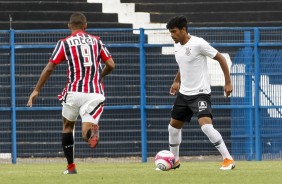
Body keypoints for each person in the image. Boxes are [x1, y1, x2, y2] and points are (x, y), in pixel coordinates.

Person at [27, 12, 115, 174]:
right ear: (85, 25)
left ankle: (71, 167)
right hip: (95, 92)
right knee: (85, 130)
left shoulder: (64, 43)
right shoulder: (96, 41)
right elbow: (111, 64)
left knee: (68, 126)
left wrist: (36, 90)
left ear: (69, 26)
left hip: (73, 91)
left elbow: (50, 67)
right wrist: (100, 76)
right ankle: (90, 133)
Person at [165, 15, 235, 170]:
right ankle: (174, 160)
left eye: (174, 31)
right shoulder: (177, 45)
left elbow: (221, 59)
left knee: (206, 126)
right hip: (184, 94)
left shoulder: (199, 43)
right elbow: (184, 65)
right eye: (170, 32)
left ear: (184, 29)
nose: (172, 35)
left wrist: (228, 82)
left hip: (200, 93)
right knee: (173, 127)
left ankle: (228, 159)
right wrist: (177, 81)